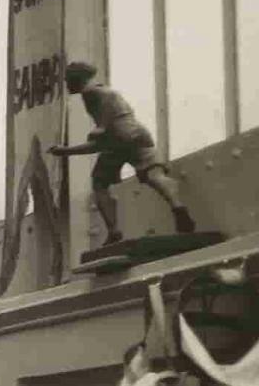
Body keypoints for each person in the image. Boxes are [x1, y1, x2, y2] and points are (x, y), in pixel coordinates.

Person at [49, 61, 192, 248]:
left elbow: (101, 139)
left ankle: (114, 230)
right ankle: (178, 206)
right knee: (153, 175)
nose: (66, 84)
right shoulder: (102, 92)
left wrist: (67, 150)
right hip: (138, 133)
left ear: (77, 78)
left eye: (68, 80)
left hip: (118, 138)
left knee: (99, 182)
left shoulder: (91, 94)